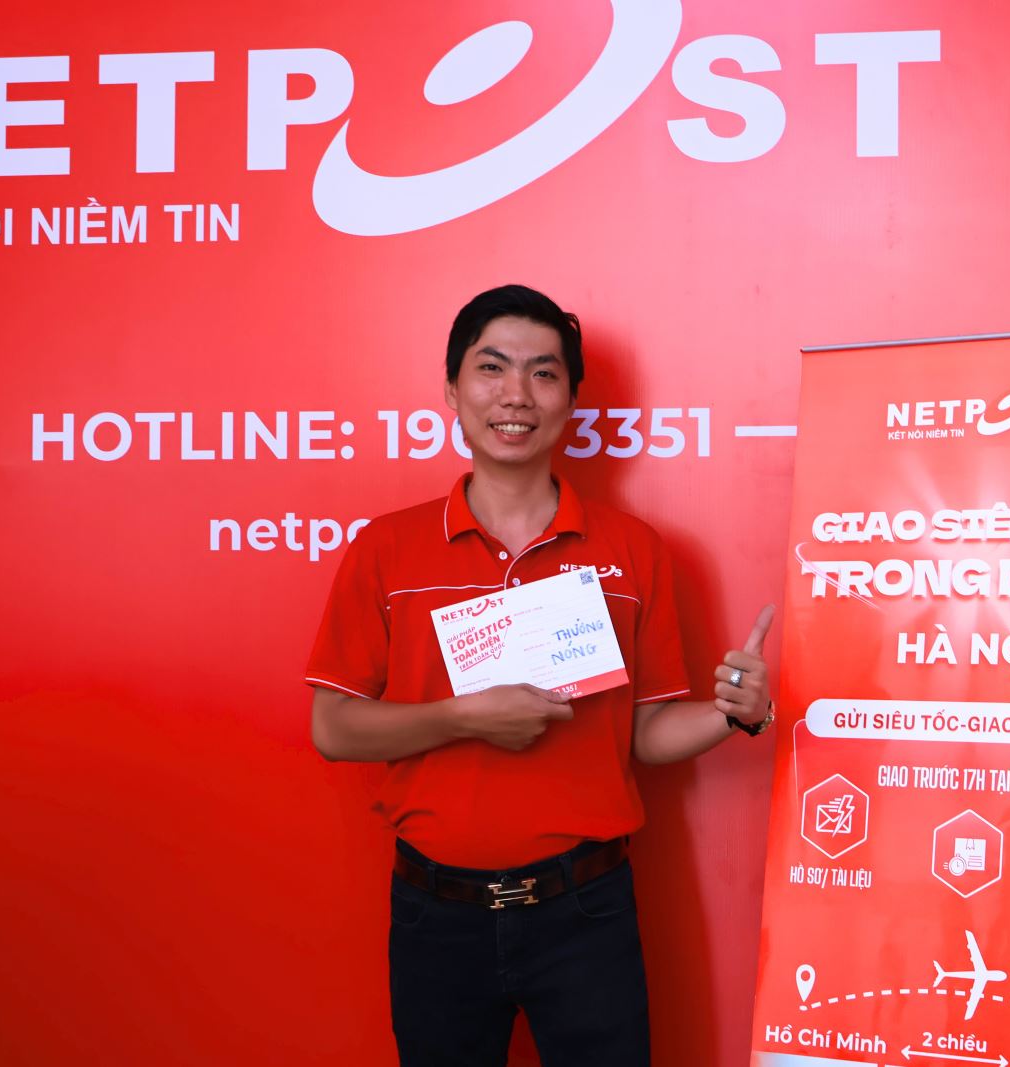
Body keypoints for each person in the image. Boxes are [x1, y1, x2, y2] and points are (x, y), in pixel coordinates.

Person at [305, 284, 774, 1067]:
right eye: (492, 368)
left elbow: (648, 732)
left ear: (571, 399)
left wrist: (734, 711)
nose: (516, 394)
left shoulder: (633, 549)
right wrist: (463, 716)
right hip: (435, 909)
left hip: (586, 908)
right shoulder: (386, 549)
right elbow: (333, 726)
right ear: (452, 388)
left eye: (544, 373)